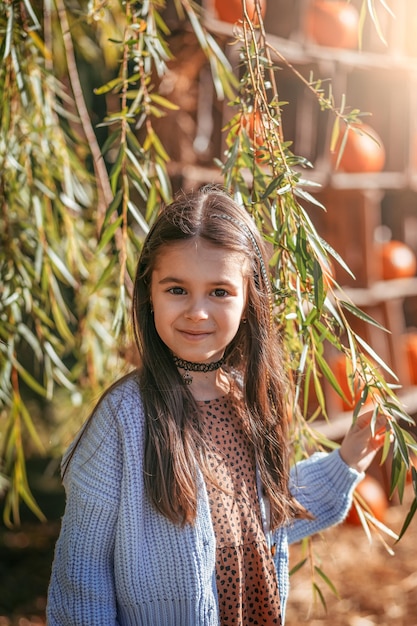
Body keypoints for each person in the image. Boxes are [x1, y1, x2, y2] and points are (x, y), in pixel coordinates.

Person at [47, 186, 388, 626]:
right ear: (148, 292)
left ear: (249, 300)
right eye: (177, 289)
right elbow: (81, 573)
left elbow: (262, 513)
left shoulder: (247, 399)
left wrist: (346, 462)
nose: (197, 311)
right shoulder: (125, 419)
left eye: (219, 292)